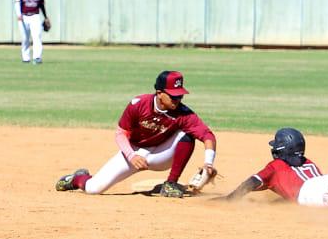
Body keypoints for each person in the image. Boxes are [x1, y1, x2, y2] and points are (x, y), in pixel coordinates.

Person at [54, 70, 217, 198]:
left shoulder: (184, 113)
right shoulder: (138, 105)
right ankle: (77, 178)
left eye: (180, 95)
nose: (177, 99)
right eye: (173, 96)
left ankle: (171, 184)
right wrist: (132, 156)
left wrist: (208, 164)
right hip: (133, 151)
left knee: (188, 134)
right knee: (93, 189)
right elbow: (120, 133)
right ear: (159, 93)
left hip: (162, 154)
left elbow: (207, 136)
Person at [15, 0, 49, 65]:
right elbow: (17, 3)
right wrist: (18, 14)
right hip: (24, 17)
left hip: (35, 16)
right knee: (25, 38)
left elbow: (42, 6)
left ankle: (37, 57)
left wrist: (46, 17)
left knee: (37, 37)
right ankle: (25, 58)